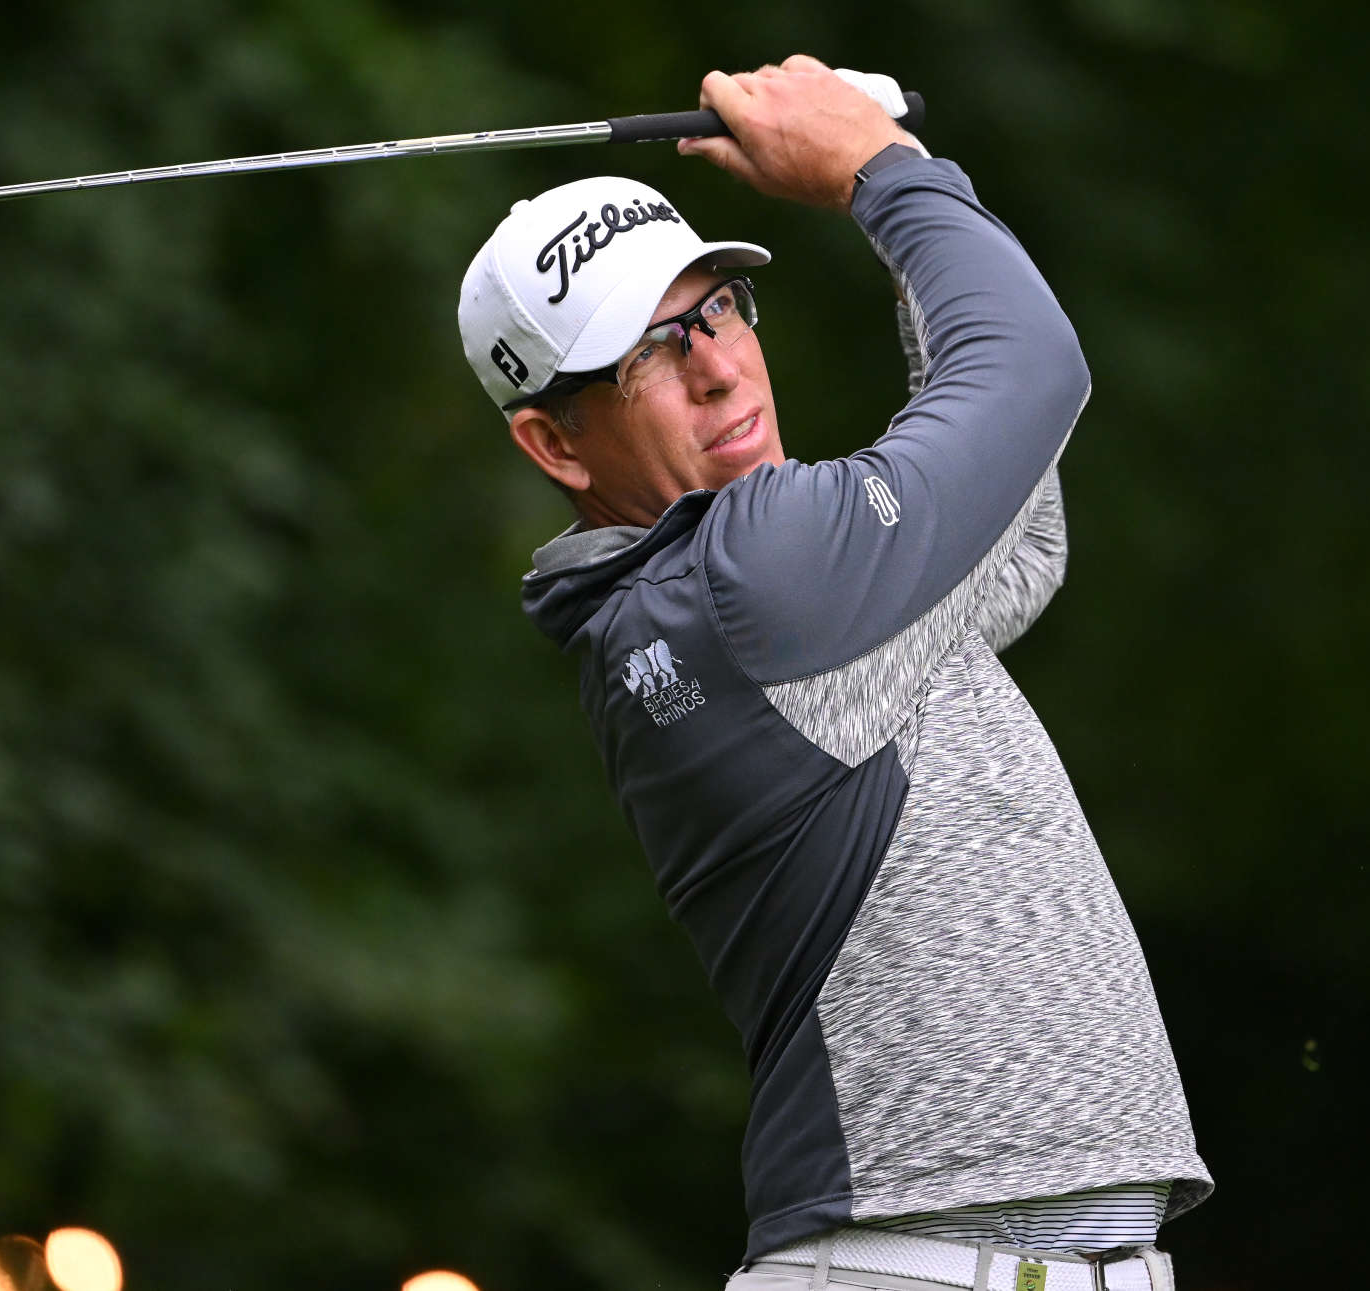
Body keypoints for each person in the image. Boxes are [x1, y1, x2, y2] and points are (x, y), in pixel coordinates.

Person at [457, 56, 1211, 1291]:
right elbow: (1032, 368)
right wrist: (881, 168)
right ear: (554, 443)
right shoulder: (746, 574)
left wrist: (899, 188)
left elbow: (1018, 533)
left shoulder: (718, 596)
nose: (717, 367)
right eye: (648, 355)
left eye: (718, 311)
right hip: (911, 1265)